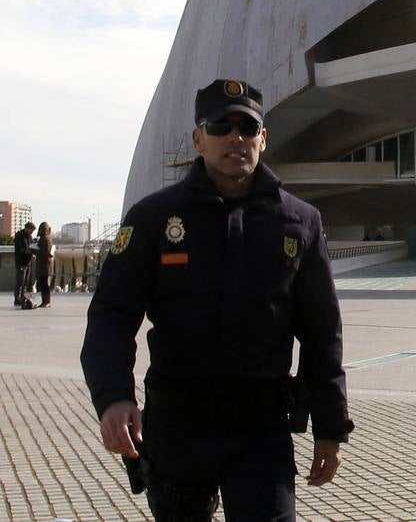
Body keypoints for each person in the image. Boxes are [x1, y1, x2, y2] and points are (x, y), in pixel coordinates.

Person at [81, 78, 354, 521]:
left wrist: (330, 428)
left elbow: (323, 333)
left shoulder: (299, 222)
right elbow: (112, 314)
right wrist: (113, 397)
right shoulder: (153, 218)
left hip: (260, 428)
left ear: (263, 139)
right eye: (220, 126)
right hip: (177, 424)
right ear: (198, 138)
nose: (235, 138)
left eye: (247, 128)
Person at [13, 221, 35, 308]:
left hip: (28, 262)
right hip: (21, 263)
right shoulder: (19, 236)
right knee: (20, 281)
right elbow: (20, 250)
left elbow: (32, 247)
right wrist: (30, 254)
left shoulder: (29, 237)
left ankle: (24, 299)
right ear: (27, 228)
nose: (32, 232)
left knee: (26, 282)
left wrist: (34, 251)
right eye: (31, 230)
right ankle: (17, 299)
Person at [34, 222, 55, 307]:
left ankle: (46, 302)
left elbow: (46, 252)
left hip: (45, 265)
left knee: (45, 284)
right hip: (44, 265)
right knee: (43, 284)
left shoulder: (45, 239)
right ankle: (45, 301)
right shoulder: (45, 238)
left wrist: (35, 250)